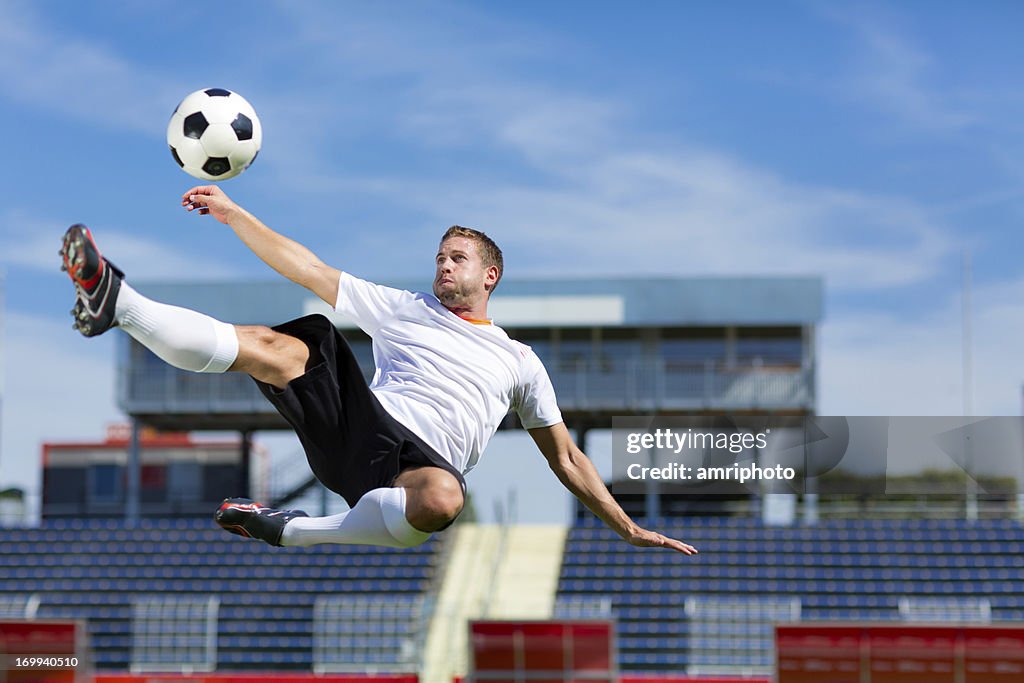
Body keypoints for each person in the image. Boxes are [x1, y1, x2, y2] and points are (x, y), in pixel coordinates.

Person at [60, 186, 697, 555]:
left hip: (419, 468)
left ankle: (292, 531)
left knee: (444, 499)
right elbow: (307, 268)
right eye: (440, 257)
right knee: (286, 345)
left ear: (489, 276)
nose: (444, 267)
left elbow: (568, 458)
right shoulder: (404, 309)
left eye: (458, 259)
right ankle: (120, 305)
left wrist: (627, 525)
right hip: (365, 430)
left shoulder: (520, 361)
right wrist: (235, 214)